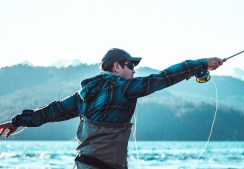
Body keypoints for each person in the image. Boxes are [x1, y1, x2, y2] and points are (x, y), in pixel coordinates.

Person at [0, 48, 224, 169]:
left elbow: (50, 111)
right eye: (131, 66)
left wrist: (16, 121)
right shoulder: (125, 88)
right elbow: (164, 77)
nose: (134, 71)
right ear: (117, 67)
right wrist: (203, 63)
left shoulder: (83, 94)